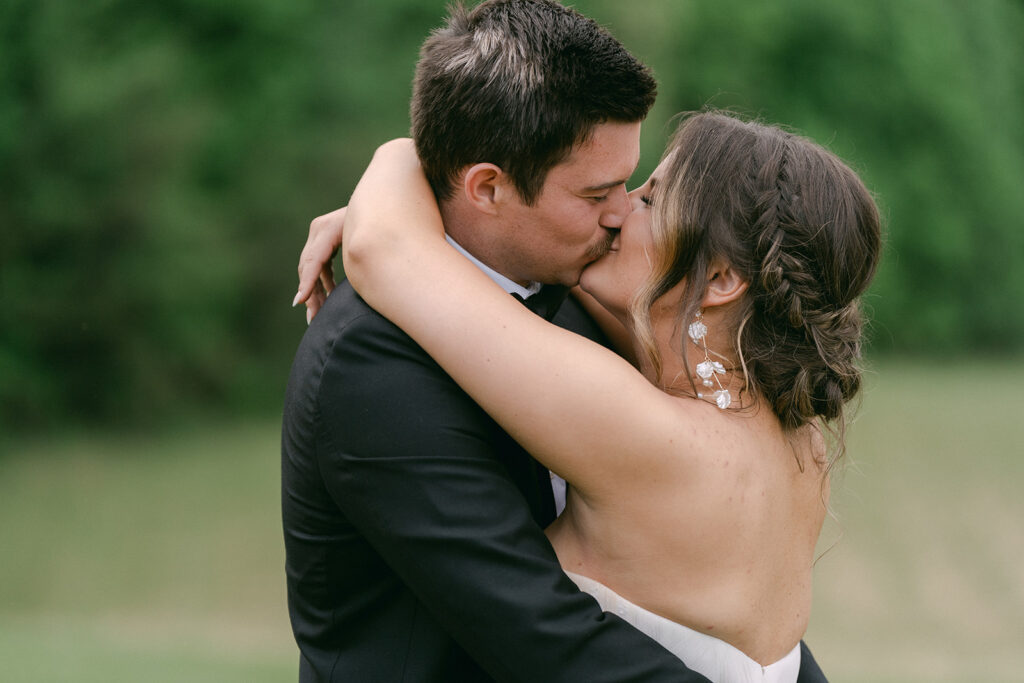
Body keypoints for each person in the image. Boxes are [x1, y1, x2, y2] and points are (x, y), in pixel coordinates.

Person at [281, 1, 780, 681]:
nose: (622, 214)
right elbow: (539, 632)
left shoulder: (575, 287)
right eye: (596, 192)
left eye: (629, 181)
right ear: (487, 188)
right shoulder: (371, 364)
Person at [301, 111, 880, 681]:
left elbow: (386, 252)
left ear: (723, 281)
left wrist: (402, 159)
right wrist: (466, 227)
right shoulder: (798, 443)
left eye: (650, 202)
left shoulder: (650, 434)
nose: (621, 210)